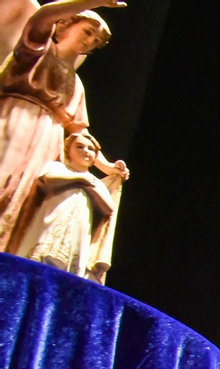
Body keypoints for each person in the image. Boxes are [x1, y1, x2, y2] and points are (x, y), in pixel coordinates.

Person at [0, 0, 126, 249]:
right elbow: (42, 17)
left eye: (96, 41)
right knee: (5, 181)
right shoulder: (39, 50)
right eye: (88, 32)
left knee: (27, 200)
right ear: (65, 25)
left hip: (50, 140)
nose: (90, 41)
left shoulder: (76, 84)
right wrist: (96, 2)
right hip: (17, 120)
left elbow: (79, 130)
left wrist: (107, 166)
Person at [12, 129, 118, 278]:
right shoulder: (59, 168)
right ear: (68, 150)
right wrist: (77, 179)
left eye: (91, 149)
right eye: (80, 146)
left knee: (70, 259)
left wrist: (90, 186)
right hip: (53, 218)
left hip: (78, 227)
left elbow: (108, 207)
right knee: (42, 251)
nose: (86, 151)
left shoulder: (93, 181)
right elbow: (48, 179)